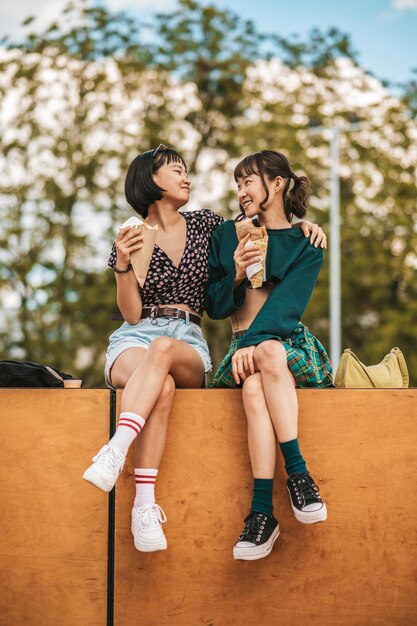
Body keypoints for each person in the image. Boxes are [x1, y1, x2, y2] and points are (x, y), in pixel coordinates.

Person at [83, 145, 326, 553]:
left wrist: (306, 226)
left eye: (247, 180)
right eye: (176, 171)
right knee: (202, 386)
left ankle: (117, 449)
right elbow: (146, 310)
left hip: (228, 340)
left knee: (237, 353)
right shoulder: (165, 234)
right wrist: (125, 266)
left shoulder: (221, 228)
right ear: (151, 181)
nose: (187, 177)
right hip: (157, 337)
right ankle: (242, 510)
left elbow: (280, 295)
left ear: (277, 183)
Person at [205, 150, 333, 562]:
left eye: (248, 181)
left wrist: (256, 345)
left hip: (284, 344)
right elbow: (215, 305)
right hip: (242, 349)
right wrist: (238, 272)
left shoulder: (307, 242)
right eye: (237, 184)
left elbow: (288, 307)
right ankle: (298, 476)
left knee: (265, 368)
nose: (241, 191)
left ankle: (263, 512)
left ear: (276, 184)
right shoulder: (228, 235)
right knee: (257, 378)